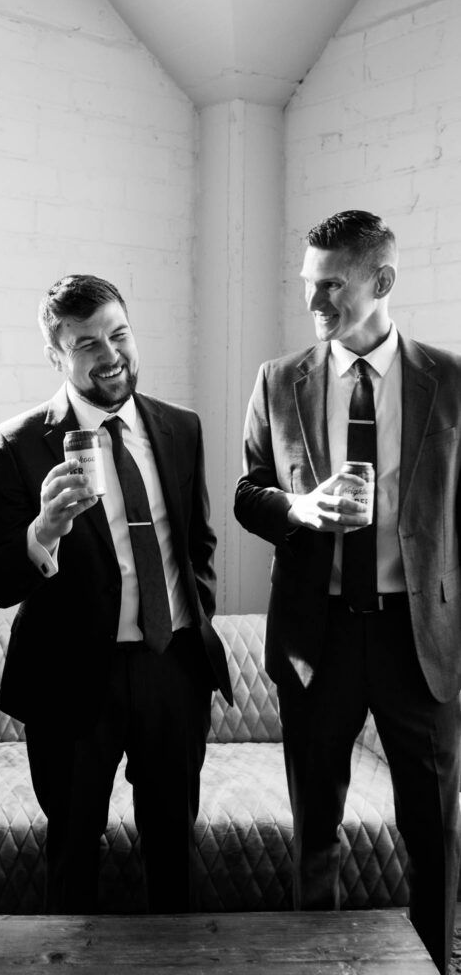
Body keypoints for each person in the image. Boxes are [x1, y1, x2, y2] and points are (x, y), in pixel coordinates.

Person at [234, 209, 461, 974]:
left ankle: (436, 963)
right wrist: (298, 509)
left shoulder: (450, 381)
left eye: (331, 284)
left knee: (433, 832)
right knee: (314, 834)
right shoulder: (278, 380)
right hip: (317, 636)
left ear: (381, 280)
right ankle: (315, 965)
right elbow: (246, 494)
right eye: (309, 283)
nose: (313, 300)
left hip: (418, 643)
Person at [0, 273, 232, 914]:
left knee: (173, 850)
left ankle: (173, 958)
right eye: (87, 343)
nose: (110, 354)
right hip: (70, 680)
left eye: (118, 334)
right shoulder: (16, 444)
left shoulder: (181, 428)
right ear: (56, 356)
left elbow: (197, 543)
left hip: (172, 668)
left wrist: (189, 620)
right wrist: (43, 531)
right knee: (72, 855)